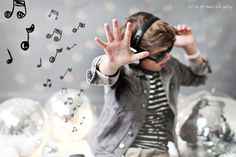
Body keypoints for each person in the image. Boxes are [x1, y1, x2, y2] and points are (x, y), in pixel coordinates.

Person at [86, 11, 211, 157]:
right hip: (117, 150)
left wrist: (190, 48)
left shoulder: (170, 67)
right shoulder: (124, 71)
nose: (167, 56)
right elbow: (104, 75)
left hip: (157, 150)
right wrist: (111, 62)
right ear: (135, 53)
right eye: (159, 55)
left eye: (169, 49)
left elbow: (199, 77)